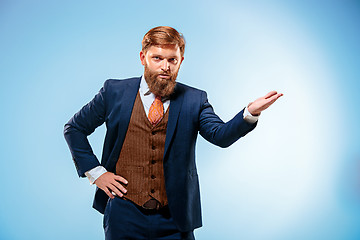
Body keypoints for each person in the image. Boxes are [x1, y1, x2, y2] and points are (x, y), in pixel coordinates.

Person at [64, 26, 283, 240]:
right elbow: (74, 128)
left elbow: (220, 135)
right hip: (123, 213)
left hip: (175, 217)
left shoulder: (195, 99)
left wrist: (250, 113)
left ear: (180, 61)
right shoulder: (114, 91)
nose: (165, 67)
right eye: (157, 58)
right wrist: (96, 173)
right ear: (143, 58)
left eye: (172, 60)